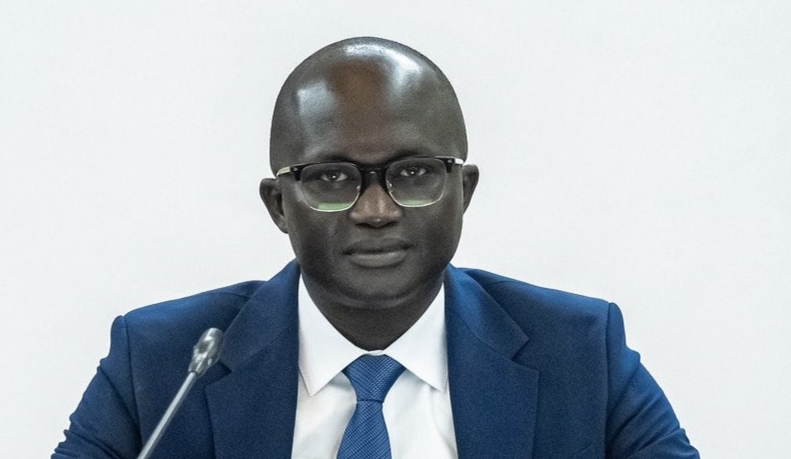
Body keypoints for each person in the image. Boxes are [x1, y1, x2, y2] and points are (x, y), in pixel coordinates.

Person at [53, 37, 699, 458]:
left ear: (463, 191)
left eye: (413, 173)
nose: (376, 210)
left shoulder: (580, 353)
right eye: (332, 179)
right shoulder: (164, 363)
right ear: (279, 206)